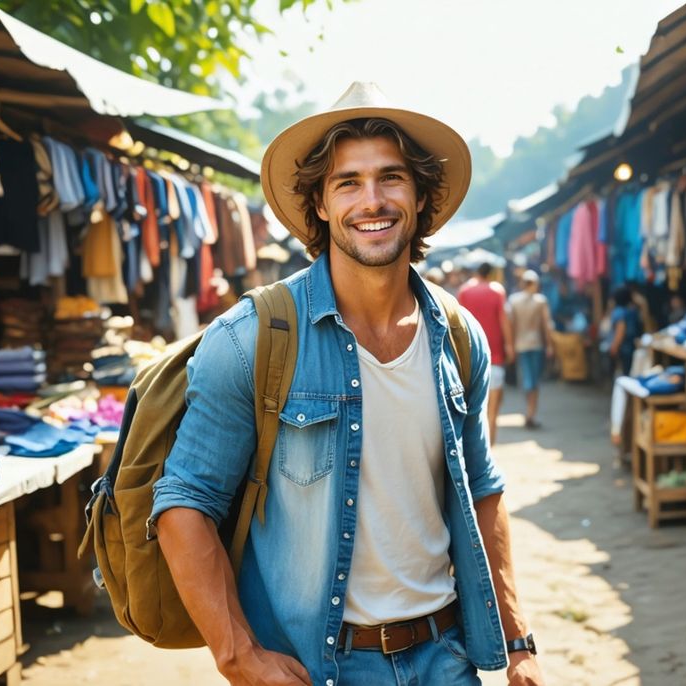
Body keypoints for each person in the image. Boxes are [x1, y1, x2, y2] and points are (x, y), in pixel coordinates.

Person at [151, 83, 542, 686]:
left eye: (392, 177)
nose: (373, 200)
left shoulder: (458, 336)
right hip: (320, 666)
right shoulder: (251, 339)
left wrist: (517, 643)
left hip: (446, 656)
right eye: (348, 182)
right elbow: (185, 503)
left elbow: (482, 491)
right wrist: (238, 656)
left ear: (420, 195)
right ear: (321, 203)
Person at [458, 262, 514, 445]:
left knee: (470, 407)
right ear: (490, 274)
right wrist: (510, 346)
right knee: (493, 407)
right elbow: (503, 320)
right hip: (495, 355)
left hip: (469, 356)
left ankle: (474, 448)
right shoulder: (497, 290)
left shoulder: (464, 291)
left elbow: (458, 323)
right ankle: (490, 446)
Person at [507, 270, 553, 428]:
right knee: (534, 380)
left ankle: (529, 412)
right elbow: (547, 325)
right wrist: (550, 345)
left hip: (520, 345)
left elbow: (511, 325)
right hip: (536, 343)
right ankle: (531, 413)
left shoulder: (514, 300)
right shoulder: (540, 301)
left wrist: (510, 345)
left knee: (527, 379)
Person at [609, 286, 643, 376]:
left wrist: (615, 346)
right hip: (633, 345)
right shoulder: (633, 311)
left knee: (625, 372)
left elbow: (621, 330)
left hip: (624, 347)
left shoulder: (618, 312)